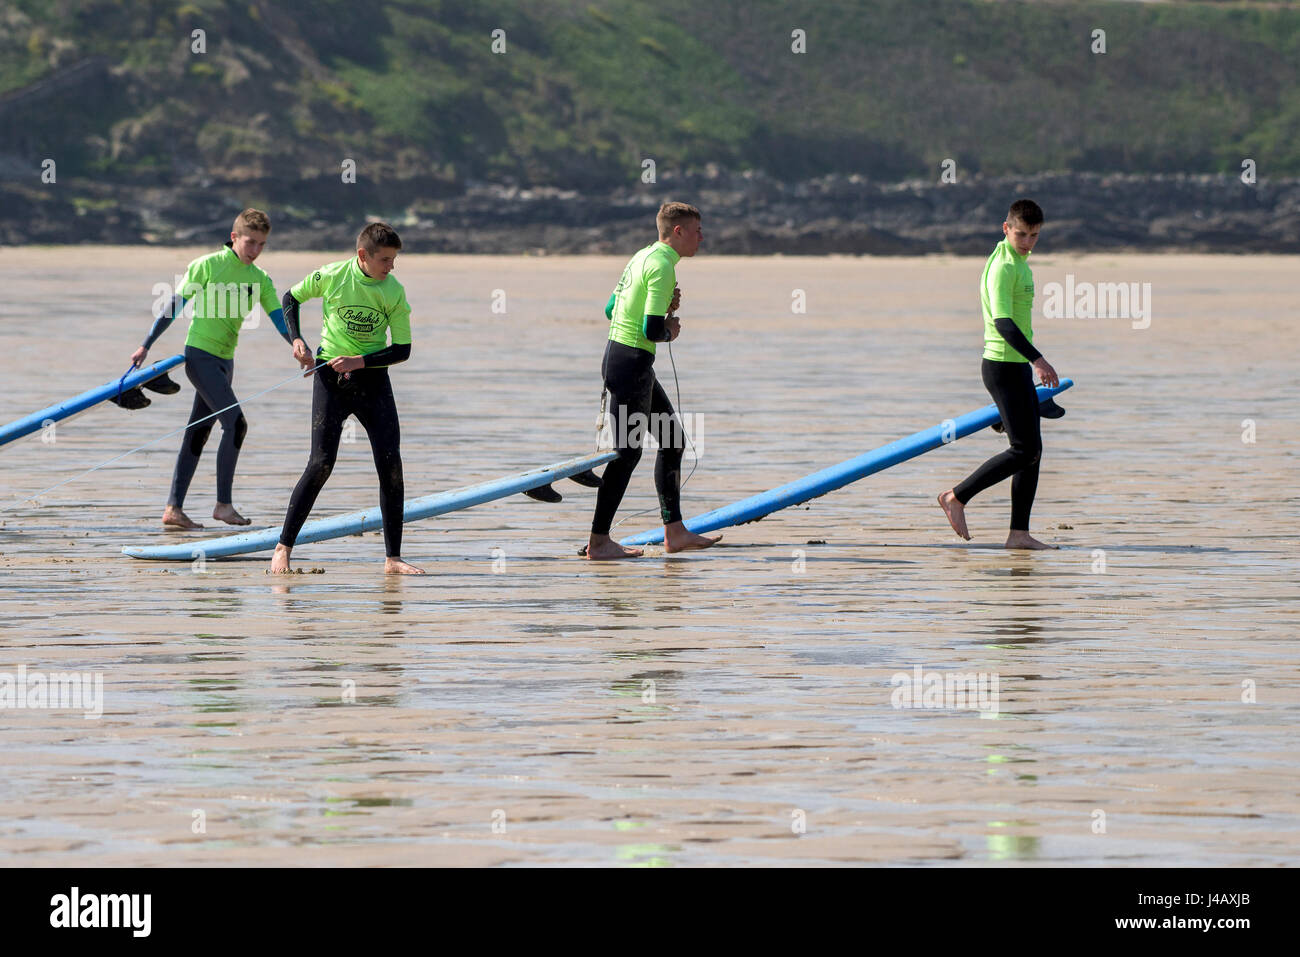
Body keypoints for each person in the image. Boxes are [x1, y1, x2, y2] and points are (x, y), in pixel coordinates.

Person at [269, 222, 423, 576]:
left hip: (373, 381)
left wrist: (362, 361)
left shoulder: (394, 291)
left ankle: (392, 559)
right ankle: (283, 548)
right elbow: (290, 298)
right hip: (329, 378)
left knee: (391, 464)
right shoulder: (333, 276)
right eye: (385, 259)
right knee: (321, 463)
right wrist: (297, 341)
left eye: (394, 259)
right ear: (362, 256)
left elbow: (403, 349)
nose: (391, 266)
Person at [129, 208, 292, 528]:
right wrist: (146, 344)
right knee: (236, 424)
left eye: (262, 244)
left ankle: (173, 509)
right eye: (251, 242)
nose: (256, 251)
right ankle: (223, 505)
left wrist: (298, 345)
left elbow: (278, 318)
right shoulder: (208, 265)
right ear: (234, 237)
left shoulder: (259, 279)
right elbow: (173, 306)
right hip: (200, 357)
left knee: (199, 430)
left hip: (225, 361)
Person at [584, 201, 721, 560]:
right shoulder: (662, 267)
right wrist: (670, 329)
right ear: (678, 232)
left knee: (672, 441)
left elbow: (611, 310)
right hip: (631, 365)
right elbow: (650, 329)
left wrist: (659, 311)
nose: (701, 238)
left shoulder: (642, 256)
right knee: (627, 454)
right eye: (696, 231)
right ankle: (599, 542)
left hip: (624, 360)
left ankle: (674, 532)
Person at [938, 199, 1061, 550]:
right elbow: (1003, 323)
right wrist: (1039, 360)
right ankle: (956, 497)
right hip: (1003, 367)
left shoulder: (1020, 263)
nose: (1028, 242)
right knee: (1023, 450)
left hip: (1015, 367)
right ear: (1006, 228)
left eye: (1034, 235)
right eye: (1021, 234)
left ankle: (1018, 535)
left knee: (1032, 450)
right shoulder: (1004, 267)